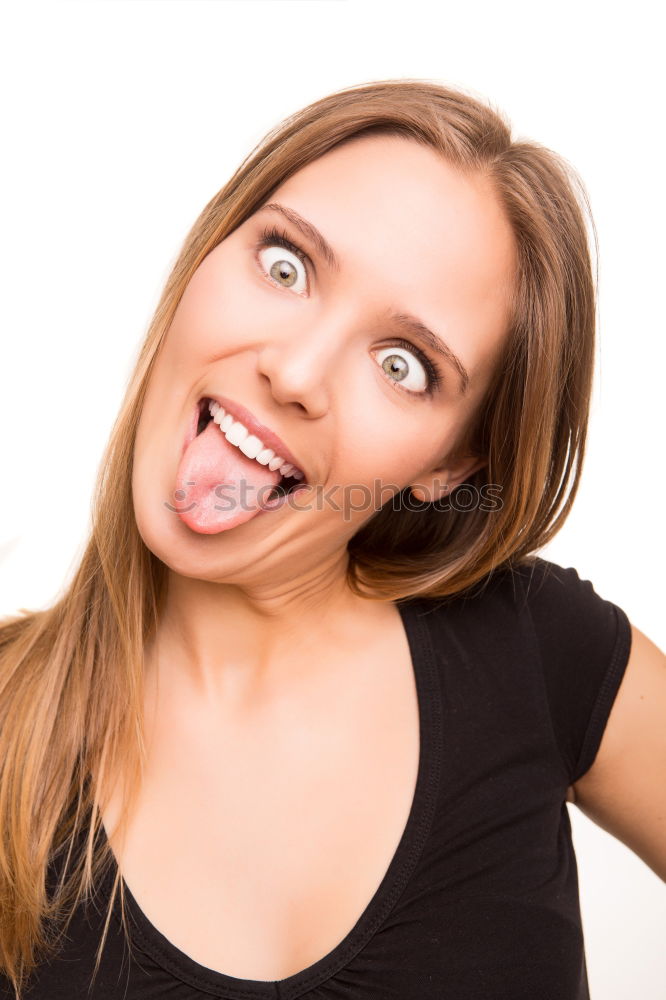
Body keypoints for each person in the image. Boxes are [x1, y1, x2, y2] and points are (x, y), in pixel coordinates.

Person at [0, 78, 663, 1000]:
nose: (296, 371)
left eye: (403, 366)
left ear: (454, 463)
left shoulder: (541, 650)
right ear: (207, 253)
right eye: (286, 265)